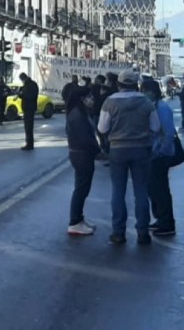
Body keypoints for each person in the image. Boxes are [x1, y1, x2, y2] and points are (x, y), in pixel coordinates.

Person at [97, 68, 160, 245]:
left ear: (118, 84)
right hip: (141, 149)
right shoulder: (146, 102)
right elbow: (155, 127)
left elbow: (102, 129)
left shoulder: (109, 102)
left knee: (118, 190)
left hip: (117, 150)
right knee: (140, 191)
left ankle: (118, 233)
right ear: (136, 85)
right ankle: (142, 233)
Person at [141, 78, 177, 237]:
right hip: (153, 154)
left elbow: (169, 134)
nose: (143, 94)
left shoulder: (162, 108)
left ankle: (167, 223)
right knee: (153, 189)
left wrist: (161, 152)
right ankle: (160, 219)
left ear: (153, 92)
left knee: (160, 189)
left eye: (145, 91)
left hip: (160, 155)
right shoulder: (153, 107)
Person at [64, 87, 100, 236]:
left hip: (82, 155)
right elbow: (85, 138)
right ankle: (74, 222)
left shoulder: (80, 113)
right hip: (81, 155)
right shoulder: (77, 116)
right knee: (81, 189)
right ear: (82, 99)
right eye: (89, 96)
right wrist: (98, 152)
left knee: (83, 188)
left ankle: (79, 219)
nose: (92, 99)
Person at [18, 72, 39, 150]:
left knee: (28, 127)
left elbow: (28, 96)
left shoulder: (29, 85)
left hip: (28, 108)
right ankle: (29, 143)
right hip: (30, 107)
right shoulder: (32, 84)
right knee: (28, 127)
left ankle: (29, 144)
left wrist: (21, 95)